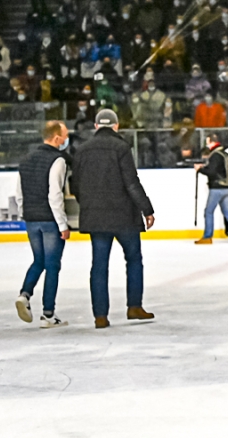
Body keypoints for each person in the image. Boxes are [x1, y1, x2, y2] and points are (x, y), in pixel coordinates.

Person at [70, 109, 156, 329]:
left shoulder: (82, 149)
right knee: (134, 259)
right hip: (124, 216)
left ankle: (100, 316)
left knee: (99, 265)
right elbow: (131, 182)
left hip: (96, 217)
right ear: (116, 126)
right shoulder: (121, 147)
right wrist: (146, 209)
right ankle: (134, 306)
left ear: (97, 126)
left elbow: (75, 185)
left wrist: (88, 205)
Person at [14, 121, 71, 328]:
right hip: (49, 220)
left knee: (39, 261)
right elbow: (55, 194)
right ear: (56, 137)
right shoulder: (58, 160)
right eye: (64, 136)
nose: (66, 139)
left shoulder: (26, 160)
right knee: (53, 266)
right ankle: (48, 314)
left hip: (31, 219)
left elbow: (19, 193)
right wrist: (62, 225)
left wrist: (25, 214)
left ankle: (25, 294)